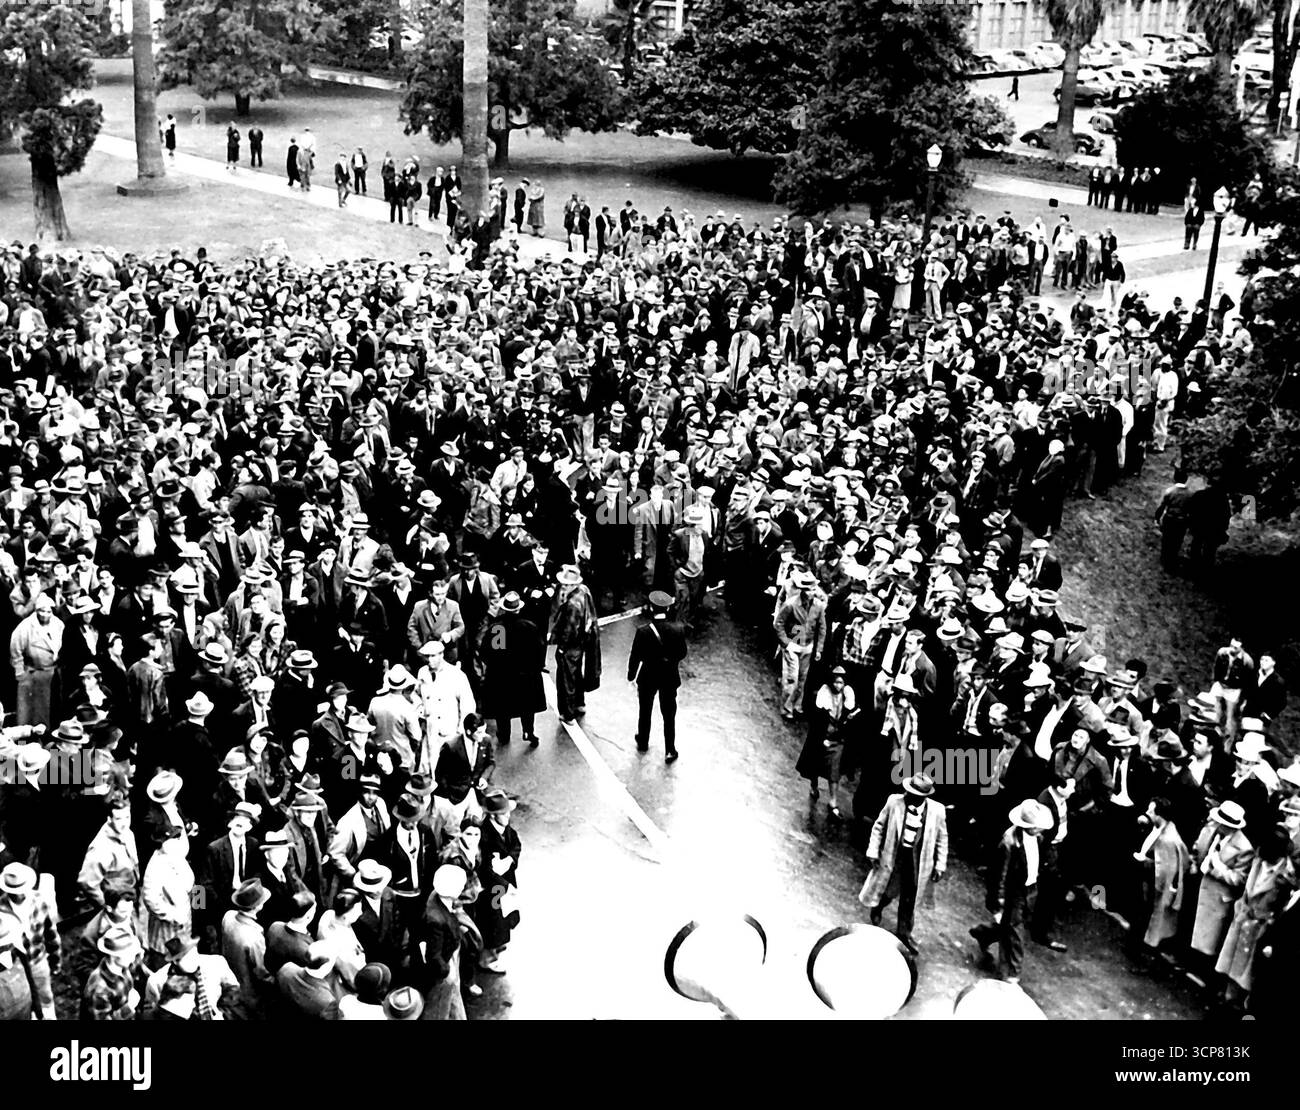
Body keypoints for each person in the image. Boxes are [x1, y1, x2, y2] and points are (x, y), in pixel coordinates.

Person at [859, 773, 948, 954]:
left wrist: (940, 864)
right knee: (889, 889)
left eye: (916, 795)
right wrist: (873, 851)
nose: (910, 797)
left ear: (925, 797)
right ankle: (878, 906)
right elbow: (879, 826)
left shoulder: (937, 811)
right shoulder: (894, 802)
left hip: (919, 861)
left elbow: (942, 838)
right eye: (909, 792)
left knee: (911, 898)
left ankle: (904, 934)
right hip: (895, 856)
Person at [970, 799, 1053, 984]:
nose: (1041, 830)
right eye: (1037, 826)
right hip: (1013, 893)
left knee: (1010, 926)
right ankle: (1011, 974)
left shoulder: (1038, 838)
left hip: (1030, 888)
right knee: (1015, 933)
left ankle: (984, 933)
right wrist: (998, 906)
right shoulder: (1008, 843)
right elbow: (999, 876)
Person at [628, 590, 687, 762]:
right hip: (669, 676)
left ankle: (643, 740)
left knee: (645, 710)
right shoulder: (678, 629)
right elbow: (682, 653)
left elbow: (635, 655)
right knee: (669, 714)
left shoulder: (643, 631)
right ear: (668, 609)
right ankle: (670, 749)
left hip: (648, 676)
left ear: (652, 609)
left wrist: (631, 675)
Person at [473, 788, 520, 975]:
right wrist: (506, 886)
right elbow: (484, 870)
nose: (508, 816)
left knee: (504, 916)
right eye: (503, 813)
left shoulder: (506, 829)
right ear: (493, 816)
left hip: (503, 883)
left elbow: (516, 844)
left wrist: (509, 860)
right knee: (493, 920)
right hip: (492, 889)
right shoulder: (484, 836)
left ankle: (499, 944)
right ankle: (488, 958)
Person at [549, 564, 598, 725]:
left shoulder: (572, 605)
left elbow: (570, 630)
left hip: (570, 646)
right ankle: (579, 703)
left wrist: (561, 647)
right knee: (576, 675)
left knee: (566, 681)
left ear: (572, 585)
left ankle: (568, 714)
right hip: (582, 643)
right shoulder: (584, 591)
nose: (563, 587)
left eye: (565, 584)